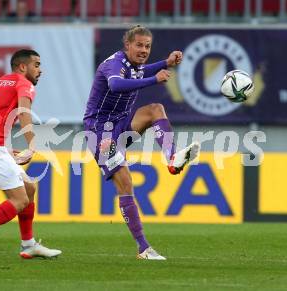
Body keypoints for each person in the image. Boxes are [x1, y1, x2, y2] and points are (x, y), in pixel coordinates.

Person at [83, 25, 200, 260]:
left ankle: (173, 159)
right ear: (127, 45)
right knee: (125, 183)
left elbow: (143, 70)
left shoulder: (134, 66)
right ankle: (144, 248)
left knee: (156, 109)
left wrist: (165, 62)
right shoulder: (114, 64)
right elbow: (116, 84)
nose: (144, 50)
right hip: (100, 132)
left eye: (147, 46)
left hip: (121, 123)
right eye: (139, 45)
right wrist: (155, 79)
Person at [0, 49, 61, 261]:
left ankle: (28, 245)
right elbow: (24, 113)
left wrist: (1, 148)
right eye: (36, 64)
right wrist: (32, 147)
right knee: (19, 199)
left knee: (29, 187)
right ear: (22, 67)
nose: (40, 70)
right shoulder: (22, 84)